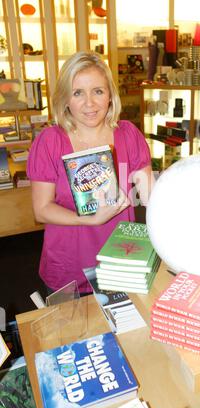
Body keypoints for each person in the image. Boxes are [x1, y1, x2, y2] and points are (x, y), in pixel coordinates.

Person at [27, 51, 154, 295]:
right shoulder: (50, 141)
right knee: (72, 332)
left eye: (98, 91)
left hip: (120, 261)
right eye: (78, 93)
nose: (89, 103)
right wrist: (87, 219)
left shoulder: (128, 135)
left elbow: (150, 195)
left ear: (110, 95)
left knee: (125, 331)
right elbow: (41, 209)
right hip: (68, 266)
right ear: (65, 99)